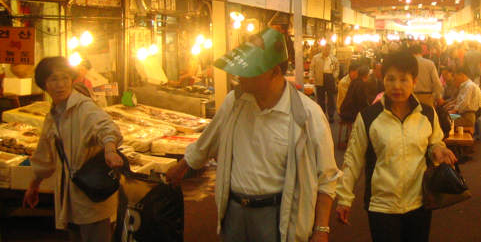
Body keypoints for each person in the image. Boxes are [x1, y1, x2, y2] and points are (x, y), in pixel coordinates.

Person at [165, 29, 341, 242]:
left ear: (275, 72)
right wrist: (183, 166)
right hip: (234, 212)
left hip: (277, 215)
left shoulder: (307, 115)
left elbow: (327, 177)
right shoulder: (234, 102)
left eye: (249, 70)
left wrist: (322, 229)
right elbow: (207, 141)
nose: (239, 75)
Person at [335, 51, 457, 242]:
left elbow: (435, 142)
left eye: (403, 79)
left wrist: (438, 149)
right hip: (382, 206)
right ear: (383, 80)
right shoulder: (369, 117)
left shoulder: (427, 114)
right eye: (390, 79)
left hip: (419, 203)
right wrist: (344, 198)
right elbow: (353, 159)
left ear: (414, 81)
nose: (397, 86)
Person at [23, 56, 124, 242]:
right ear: (44, 84)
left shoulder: (84, 107)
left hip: (93, 195)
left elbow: (106, 127)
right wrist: (34, 185)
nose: (60, 85)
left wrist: (110, 149)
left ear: (71, 79)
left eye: (64, 78)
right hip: (70, 196)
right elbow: (44, 156)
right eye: (53, 79)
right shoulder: (53, 115)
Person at [447, 66, 481, 137]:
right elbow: (459, 102)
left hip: (468, 116)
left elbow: (465, 103)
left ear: (461, 75)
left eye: (455, 77)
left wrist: (453, 111)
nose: (454, 79)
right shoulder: (465, 86)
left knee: (446, 120)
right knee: (446, 117)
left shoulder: (469, 86)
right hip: (465, 114)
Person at [311, 44, 340, 120]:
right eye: (325, 49)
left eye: (328, 49)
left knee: (331, 97)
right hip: (319, 78)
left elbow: (337, 68)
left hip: (330, 77)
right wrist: (311, 77)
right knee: (320, 98)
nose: (326, 51)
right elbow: (312, 69)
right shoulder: (316, 58)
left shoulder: (333, 59)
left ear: (330, 49)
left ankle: (331, 115)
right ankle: (322, 114)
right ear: (322, 49)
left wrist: (335, 75)